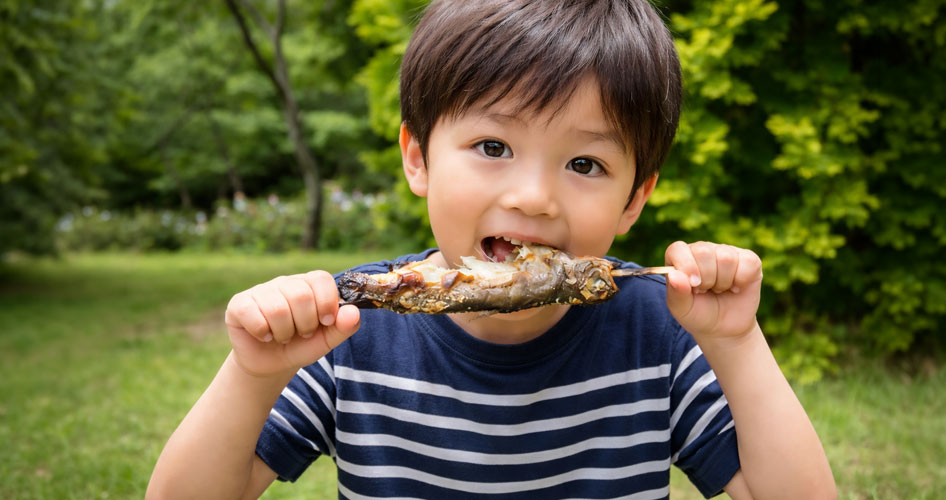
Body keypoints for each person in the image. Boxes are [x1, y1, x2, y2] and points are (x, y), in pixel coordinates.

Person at [148, 0, 836, 498]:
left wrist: (739, 344)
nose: (535, 197)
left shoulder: (658, 330)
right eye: (493, 147)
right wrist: (252, 374)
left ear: (635, 199)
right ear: (417, 158)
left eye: (585, 164)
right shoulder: (351, 330)